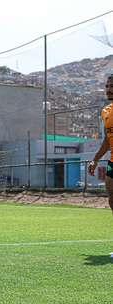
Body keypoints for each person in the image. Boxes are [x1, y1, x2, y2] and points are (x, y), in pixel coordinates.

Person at [88, 74, 113, 258]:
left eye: (112, 86)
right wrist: (95, 159)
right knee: (112, 200)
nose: (109, 89)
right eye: (107, 86)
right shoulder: (106, 111)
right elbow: (107, 140)